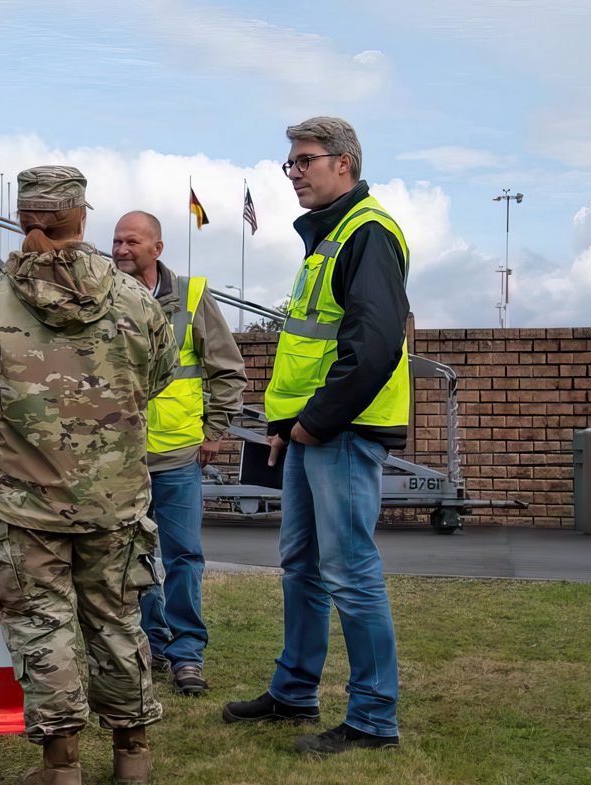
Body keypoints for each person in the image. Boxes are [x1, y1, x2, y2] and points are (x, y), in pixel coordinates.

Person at [0, 166, 175, 785]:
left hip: (22, 503)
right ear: (83, 218)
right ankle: (133, 760)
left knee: (44, 630)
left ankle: (60, 768)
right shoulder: (133, 299)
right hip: (115, 500)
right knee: (117, 623)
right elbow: (158, 377)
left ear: (22, 219)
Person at [221, 117, 409, 754]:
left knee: (351, 573)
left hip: (344, 433)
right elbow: (309, 348)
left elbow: (376, 345)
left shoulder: (369, 234)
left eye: (305, 160)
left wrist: (314, 423)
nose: (295, 172)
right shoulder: (326, 237)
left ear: (345, 163)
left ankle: (373, 720)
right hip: (311, 434)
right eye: (290, 163)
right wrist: (285, 429)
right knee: (300, 565)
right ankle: (295, 691)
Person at [112, 211, 246, 696]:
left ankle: (187, 654)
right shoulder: (103, 296)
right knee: (133, 559)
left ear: (157, 249)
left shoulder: (191, 296)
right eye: (116, 241)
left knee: (184, 557)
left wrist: (214, 430)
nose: (122, 249)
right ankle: (152, 645)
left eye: (132, 241)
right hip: (119, 462)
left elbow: (226, 369)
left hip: (177, 459)